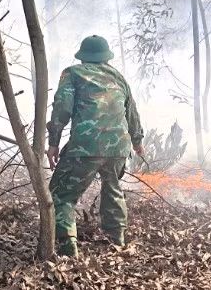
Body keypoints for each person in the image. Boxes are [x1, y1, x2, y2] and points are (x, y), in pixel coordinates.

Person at [46, 35, 144, 258]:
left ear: (82, 57)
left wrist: (53, 143)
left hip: (85, 147)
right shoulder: (118, 77)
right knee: (112, 188)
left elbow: (62, 108)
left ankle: (67, 245)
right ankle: (116, 239)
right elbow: (132, 113)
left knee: (61, 195)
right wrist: (137, 142)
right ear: (105, 58)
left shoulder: (72, 73)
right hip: (118, 148)